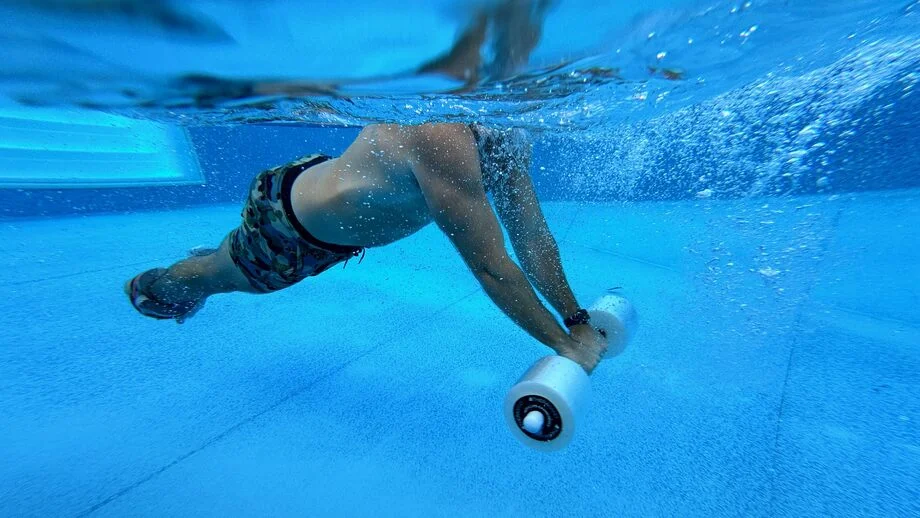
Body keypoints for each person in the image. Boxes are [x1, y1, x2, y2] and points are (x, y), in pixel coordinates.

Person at [125, 123, 608, 372]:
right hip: (291, 230)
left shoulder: (503, 137)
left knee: (231, 257)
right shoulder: (442, 135)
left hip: (329, 207)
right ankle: (158, 287)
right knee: (224, 277)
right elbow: (490, 265)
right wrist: (566, 348)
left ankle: (222, 252)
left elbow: (531, 238)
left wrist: (574, 318)